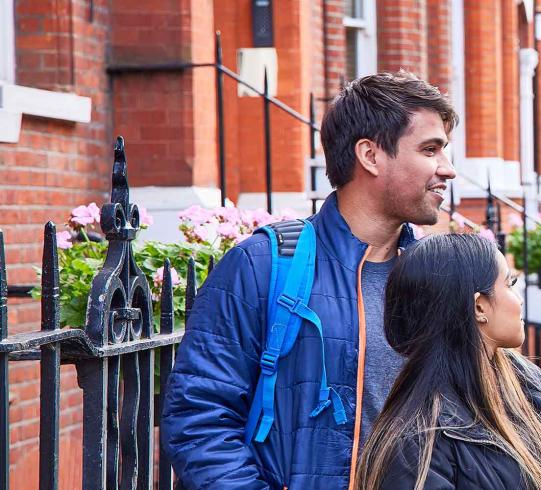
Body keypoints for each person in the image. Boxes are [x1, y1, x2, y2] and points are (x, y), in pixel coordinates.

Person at [162, 72, 457, 489]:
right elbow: (200, 417)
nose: (449, 169)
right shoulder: (262, 264)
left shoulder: (435, 273)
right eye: (431, 150)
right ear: (370, 156)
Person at [355, 233, 541, 489]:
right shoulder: (416, 446)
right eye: (509, 284)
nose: (518, 299)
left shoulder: (529, 387)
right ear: (479, 307)